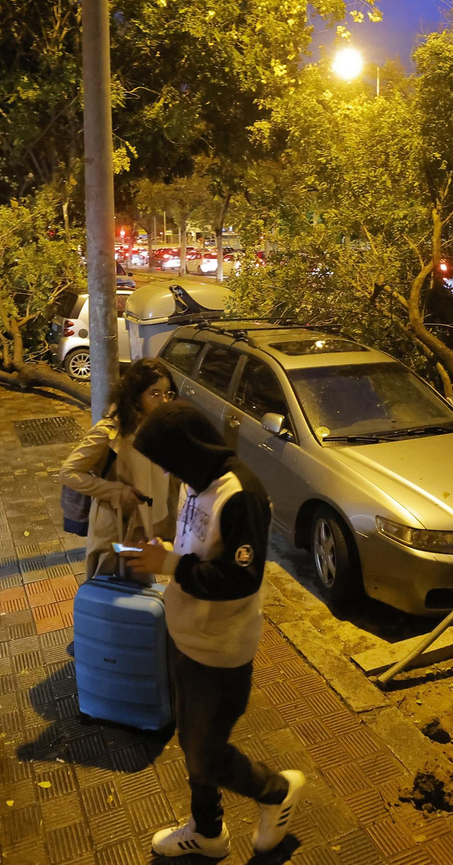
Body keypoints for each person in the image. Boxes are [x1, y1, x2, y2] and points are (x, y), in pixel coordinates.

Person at [122, 402, 306, 858]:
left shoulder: (241, 494)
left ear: (189, 450)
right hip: (186, 637)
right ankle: (207, 832)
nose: (167, 471)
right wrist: (164, 551)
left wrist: (168, 564)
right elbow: (197, 553)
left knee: (205, 751)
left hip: (220, 652)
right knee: (191, 742)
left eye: (168, 460)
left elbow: (242, 578)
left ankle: (277, 791)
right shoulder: (195, 482)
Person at [57, 358, 180, 579]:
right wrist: (116, 491)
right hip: (117, 526)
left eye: (167, 393)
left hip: (146, 527)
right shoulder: (109, 431)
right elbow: (69, 473)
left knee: (139, 589)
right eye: (154, 393)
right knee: (111, 588)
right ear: (136, 395)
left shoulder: (160, 427)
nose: (163, 400)